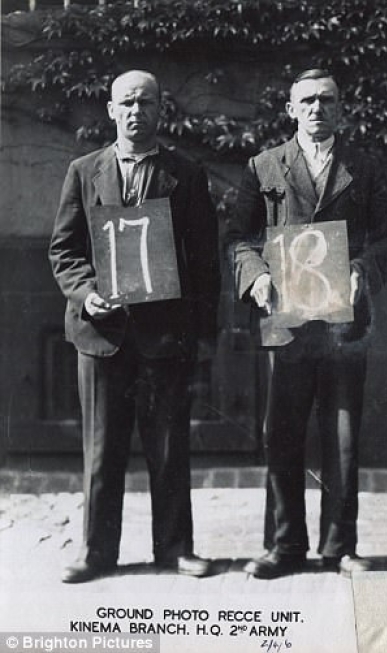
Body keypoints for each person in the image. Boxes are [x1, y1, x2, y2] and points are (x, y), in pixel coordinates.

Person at [226, 69, 387, 579]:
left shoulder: (364, 170)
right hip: (287, 323)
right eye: (307, 101)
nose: (317, 108)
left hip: (343, 325)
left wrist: (361, 271)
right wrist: (256, 275)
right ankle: (284, 546)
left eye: (327, 100)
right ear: (290, 108)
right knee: (281, 432)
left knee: (342, 436)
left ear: (340, 108)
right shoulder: (263, 167)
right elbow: (239, 237)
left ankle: (339, 547)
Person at [49, 70, 221, 583]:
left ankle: (175, 550)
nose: (135, 112)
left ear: (160, 110)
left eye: (146, 102)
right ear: (109, 110)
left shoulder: (185, 174)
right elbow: (64, 249)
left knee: (168, 447)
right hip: (101, 336)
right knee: (102, 450)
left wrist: (203, 336)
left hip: (166, 336)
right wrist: (87, 293)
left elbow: (205, 261)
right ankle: (96, 552)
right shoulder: (84, 171)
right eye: (126, 103)